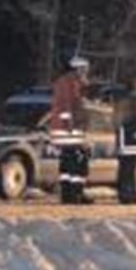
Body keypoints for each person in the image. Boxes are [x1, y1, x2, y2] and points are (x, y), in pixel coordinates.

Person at [48, 55, 93, 204]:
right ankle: (75, 194)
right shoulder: (70, 82)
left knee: (67, 162)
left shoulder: (65, 81)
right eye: (84, 69)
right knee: (77, 161)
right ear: (78, 69)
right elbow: (68, 105)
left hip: (64, 129)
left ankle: (69, 194)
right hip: (69, 130)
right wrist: (71, 125)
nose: (86, 72)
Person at [115, 79, 136, 204]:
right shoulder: (135, 101)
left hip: (125, 141)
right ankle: (129, 194)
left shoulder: (121, 101)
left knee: (125, 168)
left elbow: (118, 122)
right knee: (129, 169)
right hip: (132, 141)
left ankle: (125, 194)